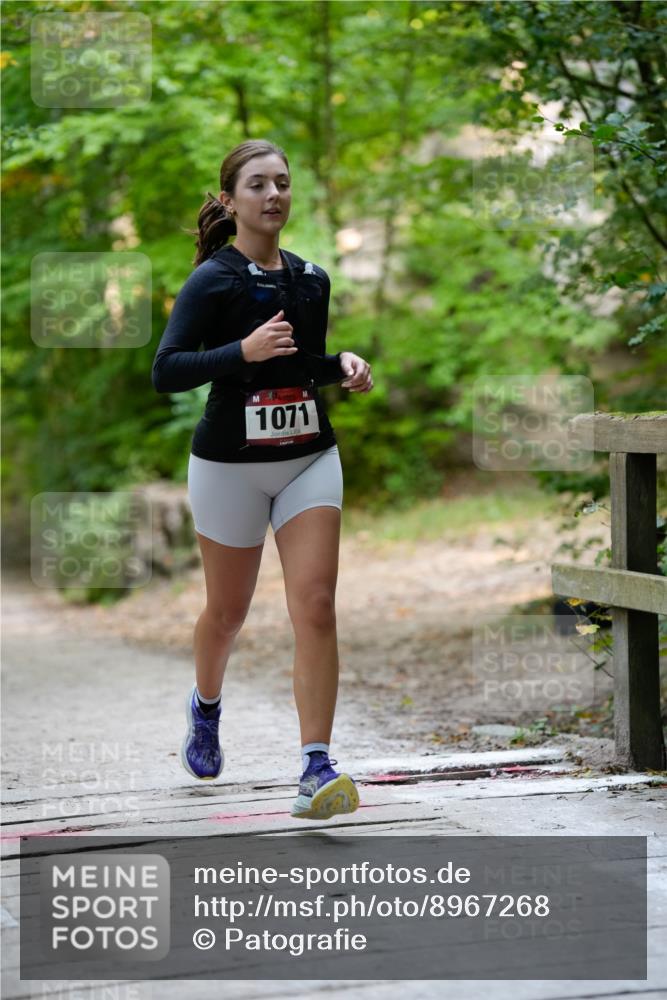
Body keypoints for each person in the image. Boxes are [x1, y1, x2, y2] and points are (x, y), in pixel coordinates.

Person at [151, 139, 373, 820]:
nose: (273, 194)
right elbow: (166, 369)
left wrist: (342, 365)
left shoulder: (311, 279)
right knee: (227, 614)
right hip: (229, 467)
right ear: (229, 200)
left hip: (308, 457)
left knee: (316, 604)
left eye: (282, 182)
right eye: (257, 184)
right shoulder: (212, 280)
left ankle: (315, 764)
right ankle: (206, 706)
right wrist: (239, 352)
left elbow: (297, 366)